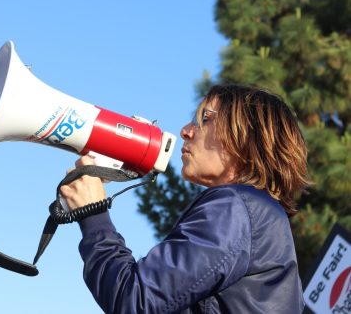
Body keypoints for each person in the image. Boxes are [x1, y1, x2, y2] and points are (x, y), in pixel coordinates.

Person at [60, 84, 309, 313]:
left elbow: (134, 298)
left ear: (244, 138)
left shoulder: (234, 208)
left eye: (206, 119)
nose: (186, 131)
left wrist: (94, 216)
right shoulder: (258, 214)